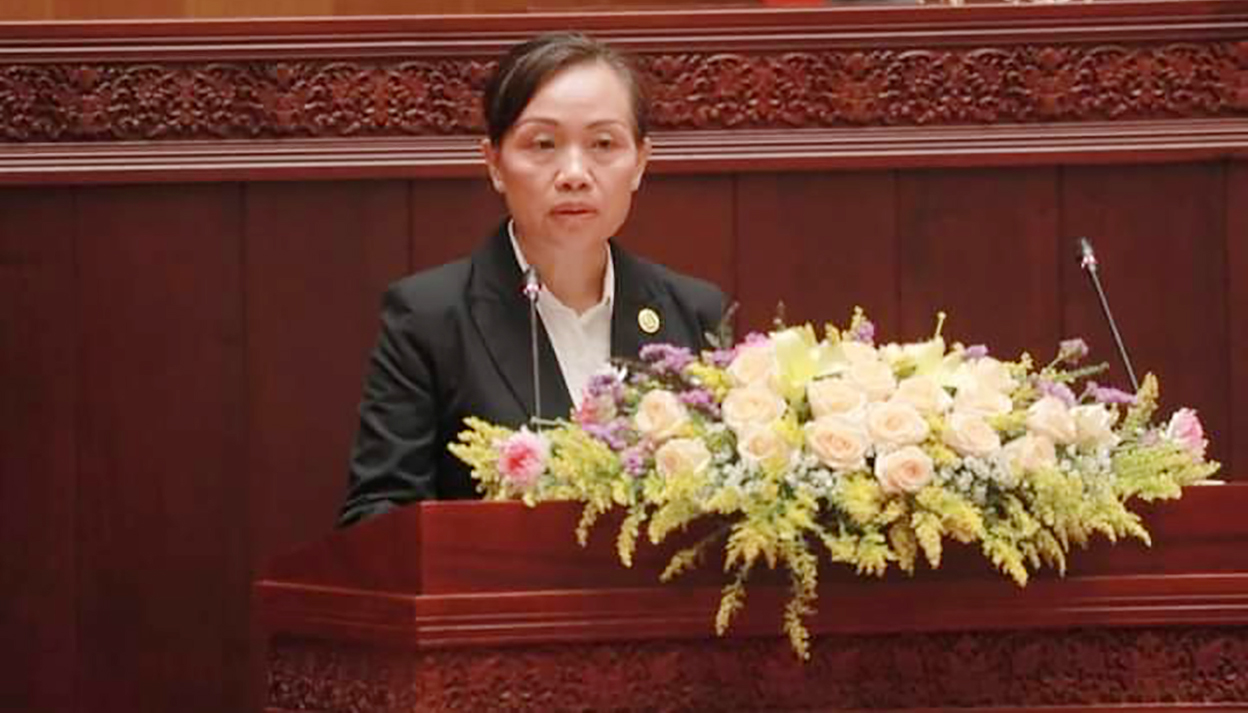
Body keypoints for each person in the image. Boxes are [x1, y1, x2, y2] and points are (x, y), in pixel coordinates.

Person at [338, 32, 726, 527]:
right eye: (543, 144)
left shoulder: (693, 312)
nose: (574, 174)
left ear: (640, 163)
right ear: (495, 163)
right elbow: (377, 516)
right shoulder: (429, 319)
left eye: (604, 144)